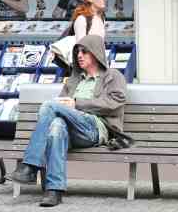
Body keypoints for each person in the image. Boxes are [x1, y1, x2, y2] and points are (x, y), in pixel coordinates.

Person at [10, 35, 130, 207]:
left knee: (49, 106)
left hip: (96, 128)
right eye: (77, 52)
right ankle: (54, 191)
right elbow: (59, 108)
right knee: (57, 126)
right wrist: (66, 105)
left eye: (84, 52)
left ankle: (30, 166)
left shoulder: (113, 76)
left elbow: (114, 103)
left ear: (96, 53)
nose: (80, 55)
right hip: (73, 132)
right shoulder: (74, 79)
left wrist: (77, 103)